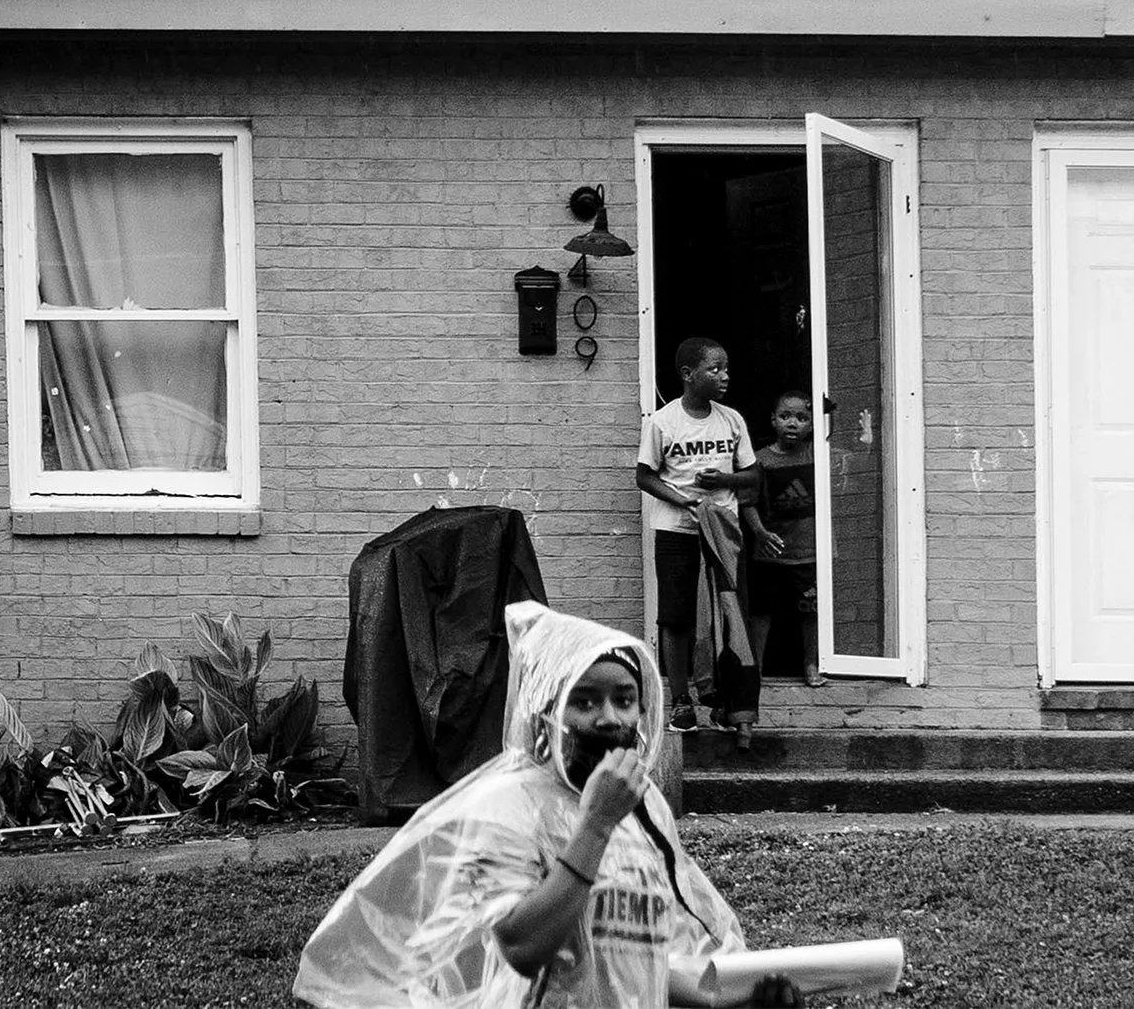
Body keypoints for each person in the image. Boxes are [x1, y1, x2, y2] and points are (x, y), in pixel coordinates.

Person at [294, 600, 799, 1008]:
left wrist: (730, 999)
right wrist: (596, 824)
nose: (610, 718)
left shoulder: (645, 811)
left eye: (624, 699)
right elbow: (521, 947)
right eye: (584, 701)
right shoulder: (510, 805)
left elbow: (638, 956)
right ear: (544, 717)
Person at [636, 336, 759, 735]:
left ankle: (725, 703)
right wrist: (683, 500)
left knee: (726, 614)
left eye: (725, 368)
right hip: (677, 530)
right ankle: (680, 702)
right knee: (676, 618)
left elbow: (753, 476)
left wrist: (724, 478)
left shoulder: (732, 419)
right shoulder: (663, 422)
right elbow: (644, 476)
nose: (725, 376)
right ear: (688, 375)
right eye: (715, 369)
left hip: (723, 532)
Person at [742, 390, 827, 688]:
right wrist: (760, 533)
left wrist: (865, 434)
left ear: (813, 424)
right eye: (785, 416)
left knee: (812, 611)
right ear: (773, 421)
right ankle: (757, 668)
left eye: (802, 418)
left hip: (810, 551)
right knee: (762, 611)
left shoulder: (819, 455)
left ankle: (812, 664)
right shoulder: (760, 460)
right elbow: (747, 501)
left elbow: (858, 461)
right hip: (771, 552)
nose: (793, 423)